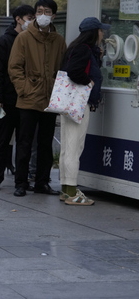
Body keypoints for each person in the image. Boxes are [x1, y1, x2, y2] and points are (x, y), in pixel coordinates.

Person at [8, 0, 67, 197]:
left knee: (45, 144)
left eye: (47, 11)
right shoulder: (24, 38)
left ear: (54, 15)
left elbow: (63, 68)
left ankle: (42, 182)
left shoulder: (58, 40)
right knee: (25, 142)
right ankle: (21, 182)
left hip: (51, 99)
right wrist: (24, 89)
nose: (43, 15)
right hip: (28, 98)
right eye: (39, 11)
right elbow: (14, 67)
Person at [0, 5, 35, 191]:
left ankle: (21, 181)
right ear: (18, 19)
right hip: (5, 101)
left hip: (26, 101)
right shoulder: (3, 42)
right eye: (29, 17)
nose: (32, 21)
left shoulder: (32, 41)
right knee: (1, 140)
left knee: (24, 143)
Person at [59, 17, 107, 206]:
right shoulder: (83, 49)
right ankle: (72, 192)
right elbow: (74, 71)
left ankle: (65, 190)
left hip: (68, 104)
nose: (103, 34)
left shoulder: (75, 47)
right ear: (94, 32)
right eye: (101, 31)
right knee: (74, 148)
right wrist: (89, 83)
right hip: (77, 104)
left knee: (67, 147)